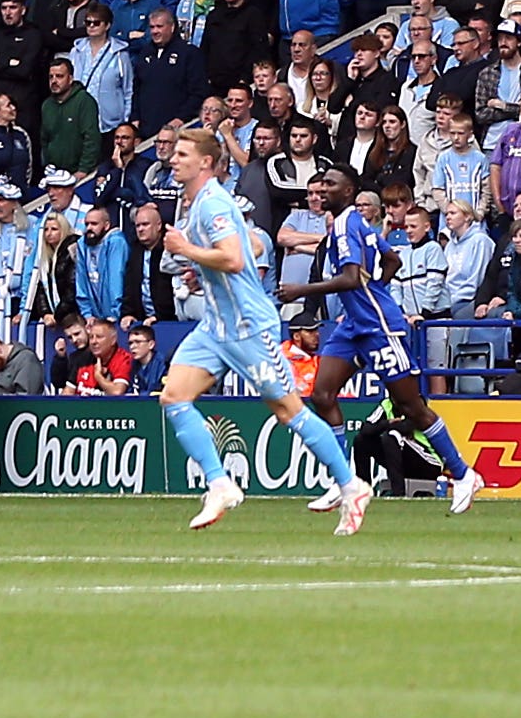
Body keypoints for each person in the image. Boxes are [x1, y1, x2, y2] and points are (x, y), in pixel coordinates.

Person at [152, 120, 369, 534]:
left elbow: (233, 258)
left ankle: (350, 484)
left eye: (182, 155)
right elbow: (248, 248)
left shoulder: (212, 203)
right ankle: (219, 483)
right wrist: (201, 267)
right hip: (217, 324)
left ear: (206, 163)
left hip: (249, 325)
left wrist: (187, 250)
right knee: (174, 397)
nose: (173, 160)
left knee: (288, 410)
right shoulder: (198, 203)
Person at [303, 164, 479, 512]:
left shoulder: (344, 226)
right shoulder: (356, 223)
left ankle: (462, 473)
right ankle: (345, 481)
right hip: (354, 323)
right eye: (321, 184)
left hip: (379, 326)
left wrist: (301, 290)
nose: (322, 190)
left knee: (412, 406)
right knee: (322, 395)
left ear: (349, 191)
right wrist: (376, 289)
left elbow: (352, 278)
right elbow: (392, 259)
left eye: (330, 184)